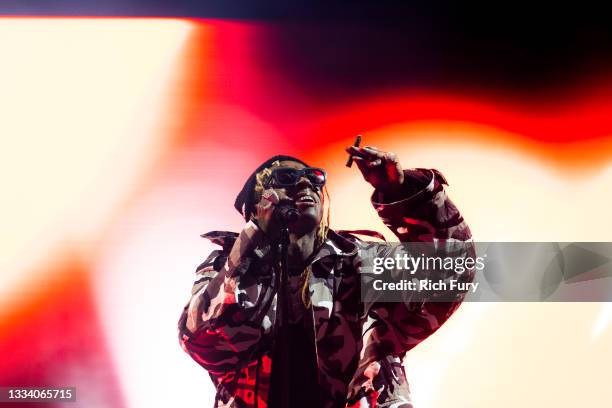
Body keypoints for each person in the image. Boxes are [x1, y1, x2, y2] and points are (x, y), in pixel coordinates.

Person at [178, 145, 474, 408]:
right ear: (257, 204)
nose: (305, 182)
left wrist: (401, 191)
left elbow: (453, 274)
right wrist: (250, 241)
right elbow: (204, 343)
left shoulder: (360, 261)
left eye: (314, 177)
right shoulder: (229, 264)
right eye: (285, 179)